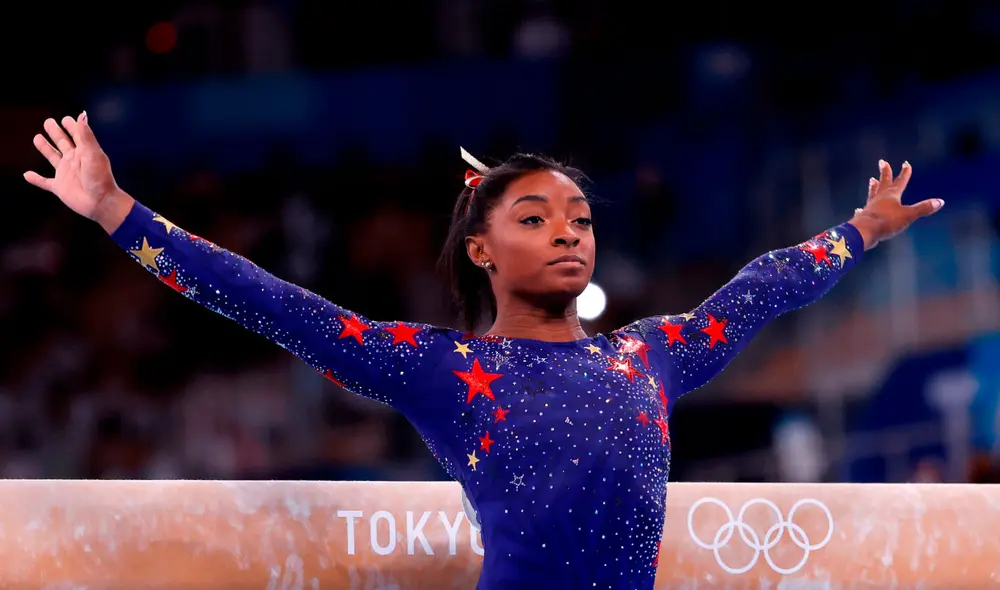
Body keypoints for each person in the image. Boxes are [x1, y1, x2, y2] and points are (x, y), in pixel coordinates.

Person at [24, 112, 943, 589]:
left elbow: (761, 290)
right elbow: (274, 305)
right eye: (535, 218)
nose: (568, 233)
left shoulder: (648, 357)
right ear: (480, 248)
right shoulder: (446, 370)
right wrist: (116, 212)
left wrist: (859, 231)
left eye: (579, 218)